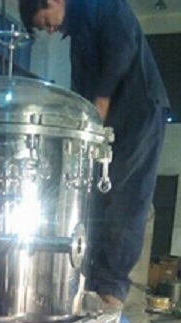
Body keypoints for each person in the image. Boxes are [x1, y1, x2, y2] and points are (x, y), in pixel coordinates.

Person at [18, 0, 170, 306]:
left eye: (44, 21)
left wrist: (100, 101)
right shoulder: (79, 31)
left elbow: (122, 46)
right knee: (94, 198)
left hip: (138, 114)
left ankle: (110, 288)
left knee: (125, 198)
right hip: (111, 123)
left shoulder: (100, 5)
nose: (49, 30)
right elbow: (81, 88)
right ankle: (88, 277)